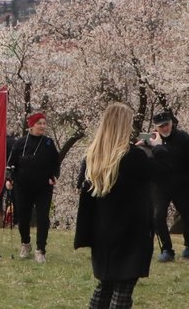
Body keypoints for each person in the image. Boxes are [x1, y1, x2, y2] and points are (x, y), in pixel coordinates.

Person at [75, 103, 154, 309]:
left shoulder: (92, 157)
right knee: (123, 290)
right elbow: (158, 175)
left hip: (102, 231)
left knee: (105, 285)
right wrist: (158, 148)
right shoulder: (133, 158)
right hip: (130, 232)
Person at [144, 110, 189, 261]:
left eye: (166, 125)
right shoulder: (152, 140)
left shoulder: (184, 138)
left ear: (171, 123)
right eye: (161, 126)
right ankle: (167, 249)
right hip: (159, 185)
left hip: (180, 183)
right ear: (156, 127)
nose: (164, 128)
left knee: (186, 216)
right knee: (158, 216)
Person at [5, 111, 60, 263]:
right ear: (31, 126)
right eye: (39, 123)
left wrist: (54, 176)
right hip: (23, 187)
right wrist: (9, 178)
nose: (43, 126)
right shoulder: (20, 143)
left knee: (43, 218)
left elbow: (56, 162)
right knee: (23, 218)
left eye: (44, 123)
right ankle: (25, 243)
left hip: (43, 188)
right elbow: (11, 163)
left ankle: (40, 249)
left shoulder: (48, 143)